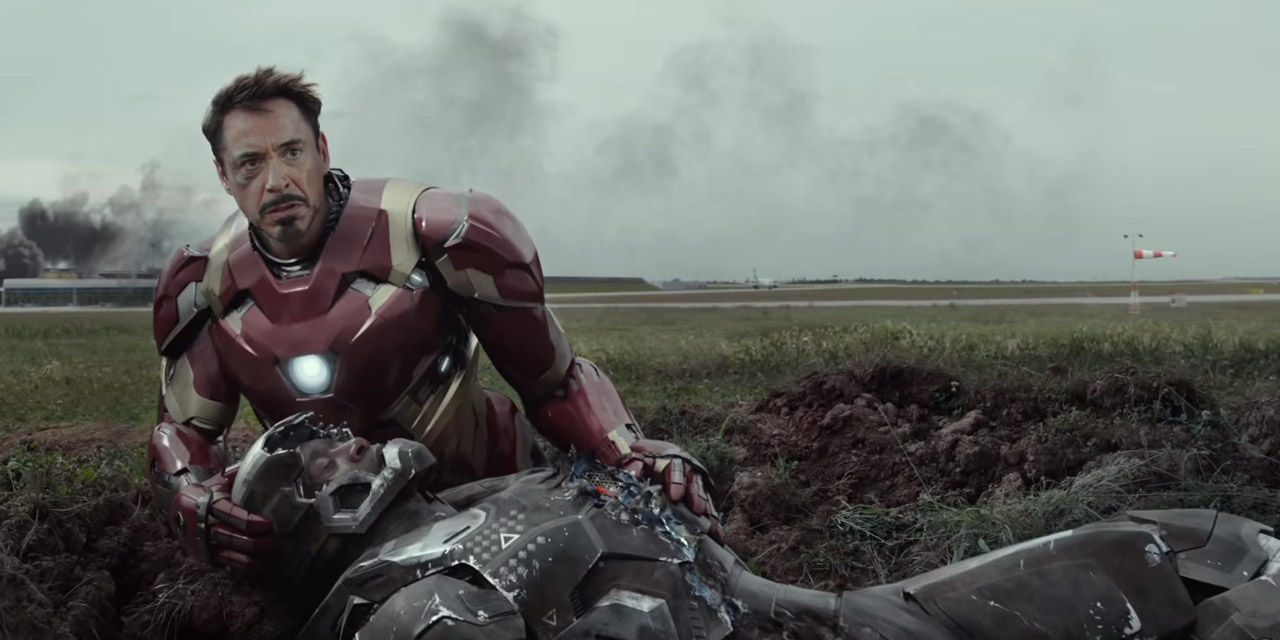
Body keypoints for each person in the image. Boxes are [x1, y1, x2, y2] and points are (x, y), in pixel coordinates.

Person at [146, 66, 718, 570]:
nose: (276, 181)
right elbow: (185, 434)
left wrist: (624, 449)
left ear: (321, 149)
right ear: (223, 175)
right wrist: (195, 500)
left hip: (495, 495)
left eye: (291, 152)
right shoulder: (203, 284)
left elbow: (555, 381)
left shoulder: (439, 232)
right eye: (250, 163)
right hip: (329, 542)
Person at [234, 416, 1280, 640]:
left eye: (337, 436)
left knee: (1178, 545)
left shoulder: (479, 497)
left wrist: (658, 466)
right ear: (304, 520)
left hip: (808, 614)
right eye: (320, 460)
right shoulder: (396, 600)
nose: (349, 446)